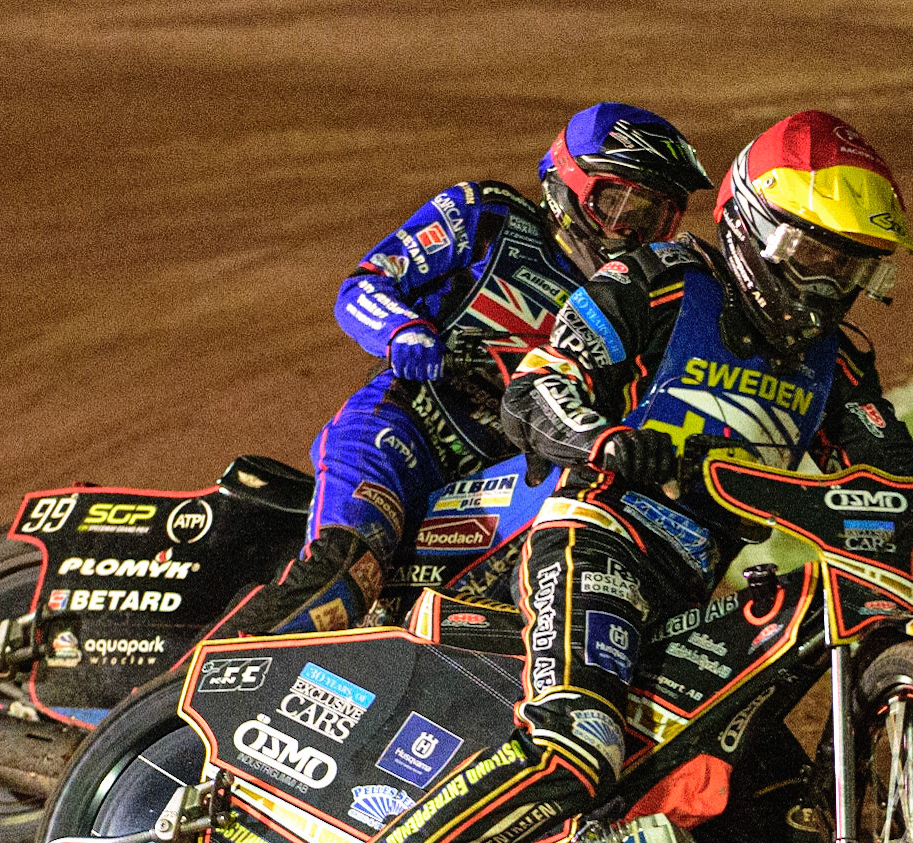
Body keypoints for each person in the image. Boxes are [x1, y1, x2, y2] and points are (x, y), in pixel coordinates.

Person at [264, 111, 913, 843]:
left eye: (853, 265)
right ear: (760, 228)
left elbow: (891, 485)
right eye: (819, 255)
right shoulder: (652, 280)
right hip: (594, 535)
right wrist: (601, 438)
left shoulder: (836, 360)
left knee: (784, 816)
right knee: (576, 741)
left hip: (686, 588)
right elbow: (540, 388)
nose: (832, 282)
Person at [207, 103, 711, 637]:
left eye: (653, 218)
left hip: (509, 476)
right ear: (568, 183)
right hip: (402, 431)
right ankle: (178, 699)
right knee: (346, 574)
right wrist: (403, 330)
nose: (627, 233)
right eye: (616, 204)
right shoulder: (488, 217)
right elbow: (364, 285)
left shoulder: (644, 297)